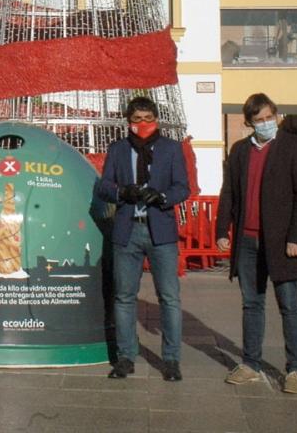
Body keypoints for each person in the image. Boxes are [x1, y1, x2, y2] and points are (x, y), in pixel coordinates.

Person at [216, 93, 297, 394]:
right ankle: (250, 363)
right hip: (247, 240)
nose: (266, 124)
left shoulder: (292, 147)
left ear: (277, 116)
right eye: (259, 120)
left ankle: (295, 369)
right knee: (252, 303)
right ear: (249, 123)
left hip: (283, 241)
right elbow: (229, 192)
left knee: (290, 305)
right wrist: (222, 230)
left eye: (269, 117)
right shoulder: (241, 150)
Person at [95, 95, 190, 381]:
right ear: (128, 122)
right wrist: (123, 192)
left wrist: (161, 196)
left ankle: (171, 360)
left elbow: (182, 187)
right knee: (124, 297)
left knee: (169, 297)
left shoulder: (171, 149)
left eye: (148, 119)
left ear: (156, 120)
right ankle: (125, 357)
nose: (143, 124)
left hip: (159, 229)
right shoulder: (119, 149)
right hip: (128, 229)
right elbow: (104, 186)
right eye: (137, 120)